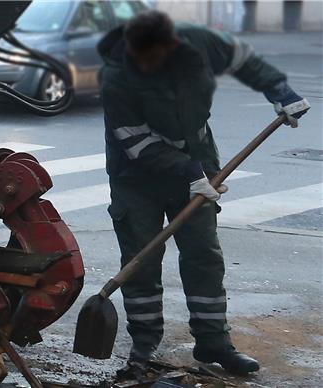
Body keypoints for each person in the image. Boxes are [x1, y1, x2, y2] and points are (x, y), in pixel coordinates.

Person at [98, 10, 309, 375]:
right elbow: (136, 142)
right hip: (137, 175)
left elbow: (243, 59)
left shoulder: (198, 40)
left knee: (203, 255)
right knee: (142, 259)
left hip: (197, 155)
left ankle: (214, 343)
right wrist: (190, 172)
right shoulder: (116, 78)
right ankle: (144, 344)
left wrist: (279, 89)